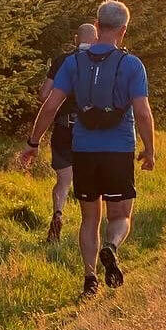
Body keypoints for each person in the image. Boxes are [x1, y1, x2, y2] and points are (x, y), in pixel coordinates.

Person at [19, 0, 155, 298]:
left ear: (97, 24)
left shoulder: (73, 63)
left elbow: (51, 104)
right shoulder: (131, 64)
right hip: (119, 150)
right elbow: (143, 112)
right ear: (123, 29)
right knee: (120, 216)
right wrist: (150, 150)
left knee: (89, 218)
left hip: (84, 150)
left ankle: (90, 278)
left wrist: (33, 142)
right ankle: (112, 246)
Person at [38, 23, 99, 243]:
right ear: (96, 38)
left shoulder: (62, 60)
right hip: (91, 131)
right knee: (91, 183)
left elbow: (44, 95)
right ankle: (90, 230)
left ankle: (58, 213)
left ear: (76, 39)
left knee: (64, 180)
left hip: (64, 126)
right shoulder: (103, 61)